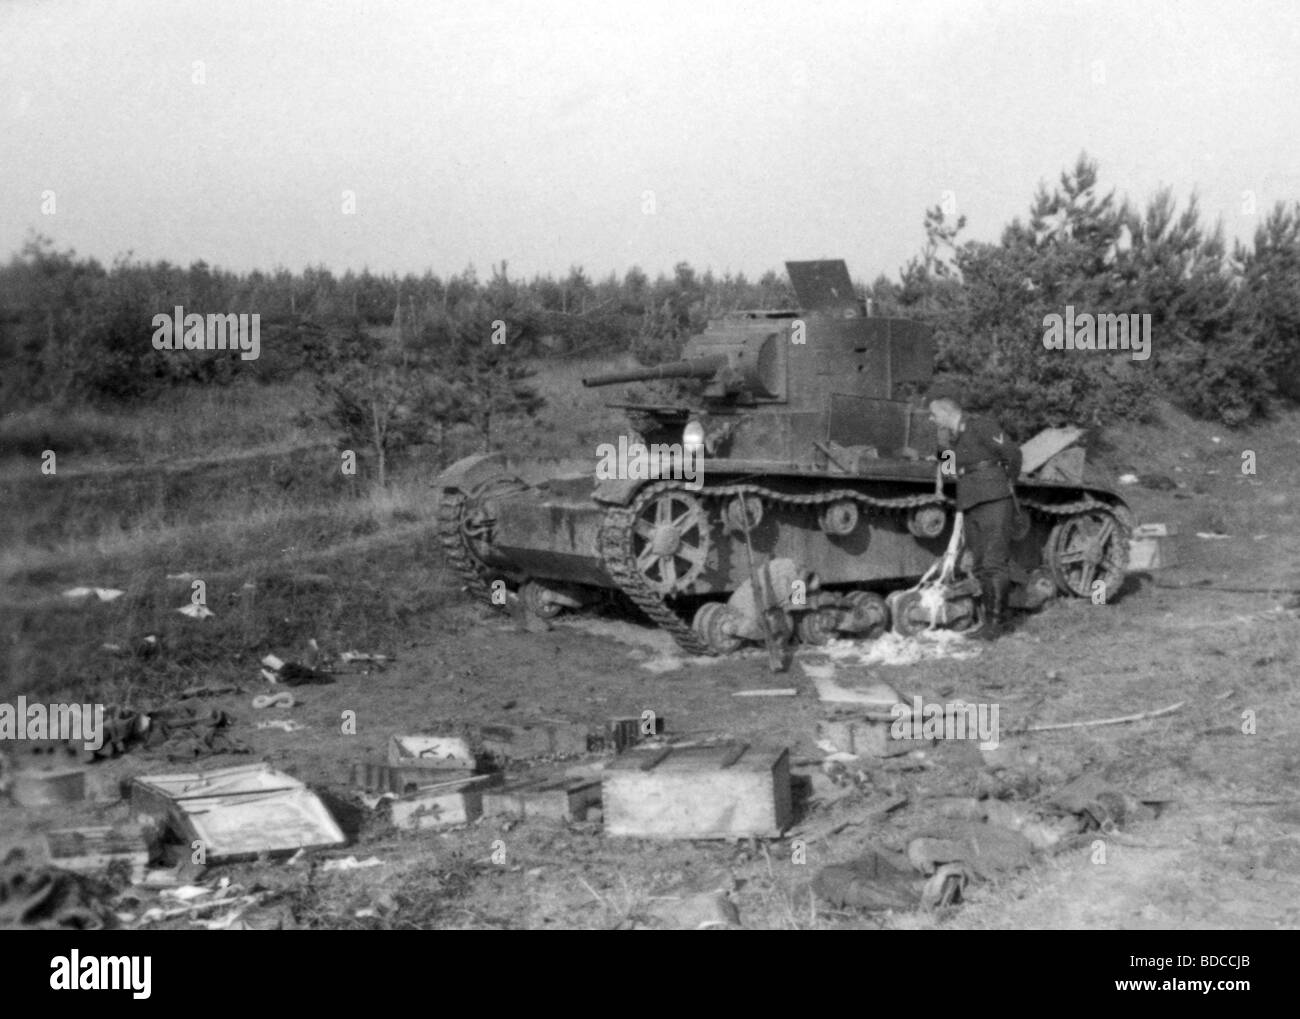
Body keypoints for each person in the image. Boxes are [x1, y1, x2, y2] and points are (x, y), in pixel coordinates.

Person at [926, 383, 1022, 639]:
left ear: (945, 411)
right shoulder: (949, 439)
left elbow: (1012, 454)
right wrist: (943, 449)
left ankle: (997, 624)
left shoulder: (981, 426)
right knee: (979, 565)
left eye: (933, 415)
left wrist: (1005, 484)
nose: (932, 420)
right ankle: (989, 622)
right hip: (969, 500)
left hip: (993, 498)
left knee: (993, 563)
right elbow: (949, 473)